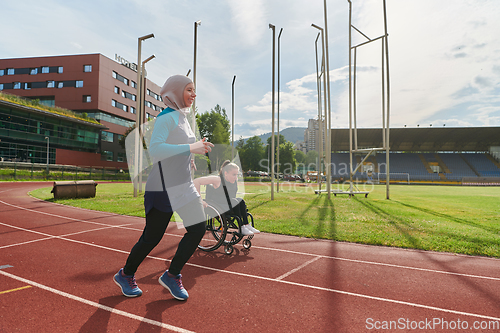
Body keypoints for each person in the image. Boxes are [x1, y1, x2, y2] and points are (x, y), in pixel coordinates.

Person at [114, 74, 214, 301]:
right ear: (176, 92)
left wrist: (193, 153)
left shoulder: (183, 118)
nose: (194, 95)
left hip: (183, 185)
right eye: (189, 90)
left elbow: (181, 147)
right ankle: (126, 274)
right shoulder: (166, 117)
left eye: (194, 90)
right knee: (152, 238)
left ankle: (172, 275)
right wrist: (190, 147)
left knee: (198, 229)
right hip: (162, 188)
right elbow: (156, 150)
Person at [194, 160, 260, 236]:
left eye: (237, 175)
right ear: (226, 173)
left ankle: (246, 225)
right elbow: (196, 181)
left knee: (241, 201)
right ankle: (241, 227)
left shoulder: (234, 180)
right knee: (236, 201)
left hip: (228, 205)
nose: (236, 177)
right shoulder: (218, 179)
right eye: (234, 175)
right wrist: (200, 200)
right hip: (219, 206)